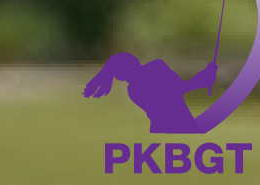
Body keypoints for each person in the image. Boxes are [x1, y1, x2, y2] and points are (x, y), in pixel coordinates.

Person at [83, 50, 221, 135]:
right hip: (177, 124)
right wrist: (205, 77)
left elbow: (178, 89)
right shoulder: (138, 87)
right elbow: (177, 91)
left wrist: (204, 78)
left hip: (166, 126)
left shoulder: (137, 85)